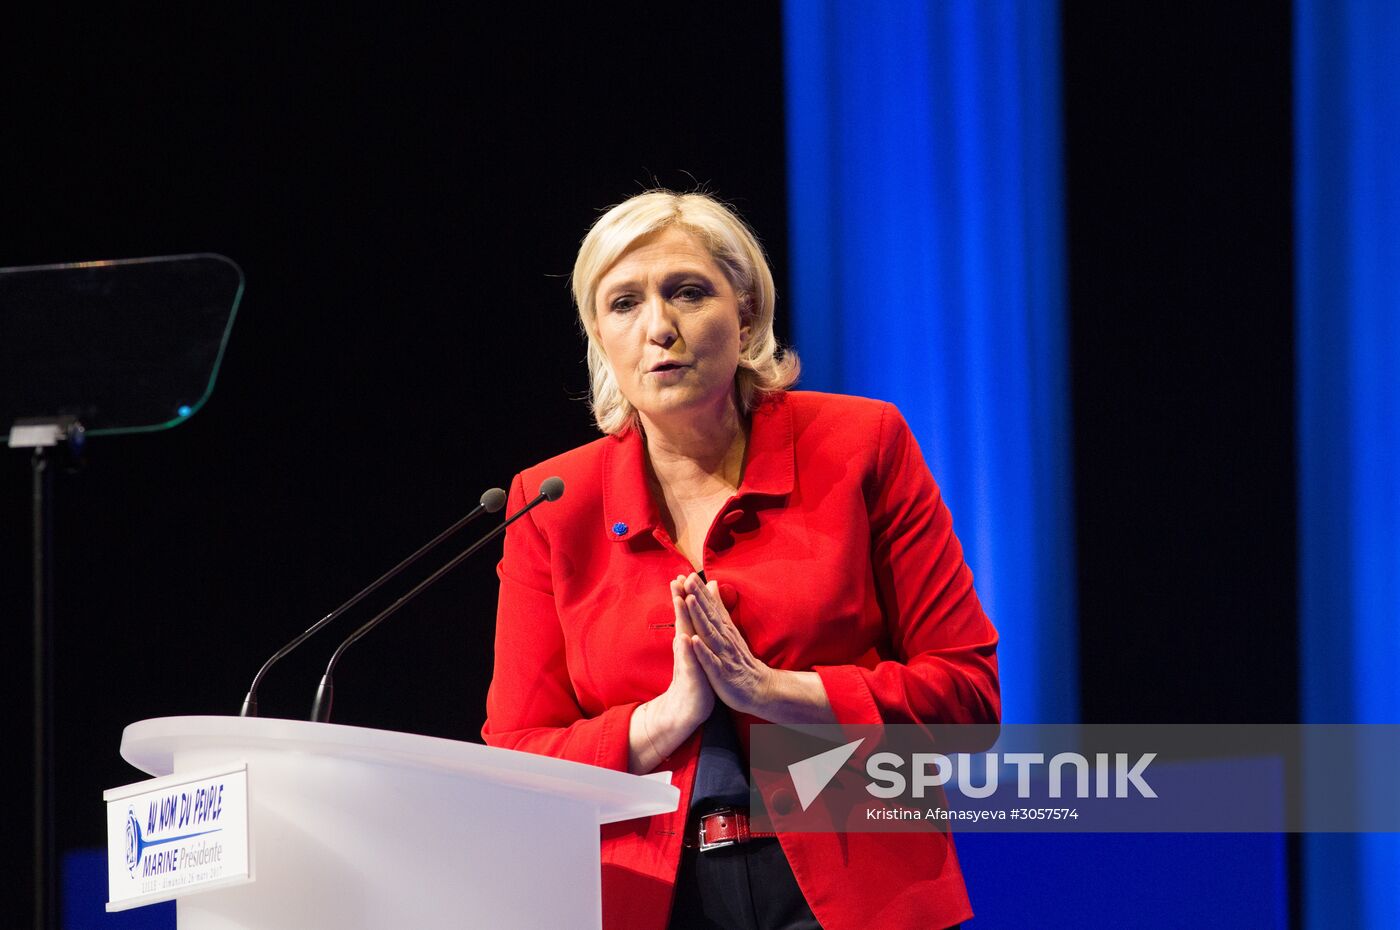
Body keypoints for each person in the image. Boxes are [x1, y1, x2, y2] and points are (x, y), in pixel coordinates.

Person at [482, 190, 999, 930]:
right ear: (599, 335)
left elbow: (967, 696)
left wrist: (777, 693)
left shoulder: (861, 446)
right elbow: (517, 758)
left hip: (860, 882)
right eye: (623, 304)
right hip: (647, 896)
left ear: (747, 314)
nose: (659, 327)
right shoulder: (554, 501)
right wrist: (663, 720)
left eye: (687, 293)